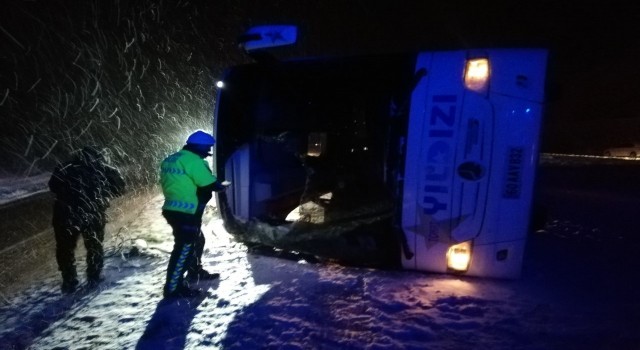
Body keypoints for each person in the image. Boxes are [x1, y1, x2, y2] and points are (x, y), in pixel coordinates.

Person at [48, 146, 126, 293]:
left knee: (65, 249)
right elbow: (120, 189)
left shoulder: (65, 168)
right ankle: (94, 276)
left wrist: (70, 195)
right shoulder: (105, 170)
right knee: (94, 246)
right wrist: (101, 194)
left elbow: (53, 186)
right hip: (93, 214)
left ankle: (69, 279)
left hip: (65, 215)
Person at [160, 130, 228, 298]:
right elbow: (209, 183)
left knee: (197, 240)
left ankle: (194, 272)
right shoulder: (194, 161)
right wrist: (223, 185)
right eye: (207, 149)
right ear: (200, 147)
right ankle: (172, 288)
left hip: (173, 209)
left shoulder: (172, 158)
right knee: (184, 248)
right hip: (186, 212)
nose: (208, 153)